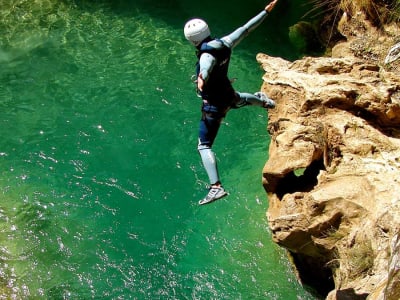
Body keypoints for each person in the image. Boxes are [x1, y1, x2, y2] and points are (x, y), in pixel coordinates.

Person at [184, 0, 279, 205]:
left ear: (192, 40)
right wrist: (265, 11)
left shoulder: (206, 55)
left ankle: (215, 187)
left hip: (214, 104)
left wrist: (202, 78)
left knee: (204, 146)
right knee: (238, 99)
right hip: (227, 93)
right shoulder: (225, 43)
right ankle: (266, 102)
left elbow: (206, 67)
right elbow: (245, 29)